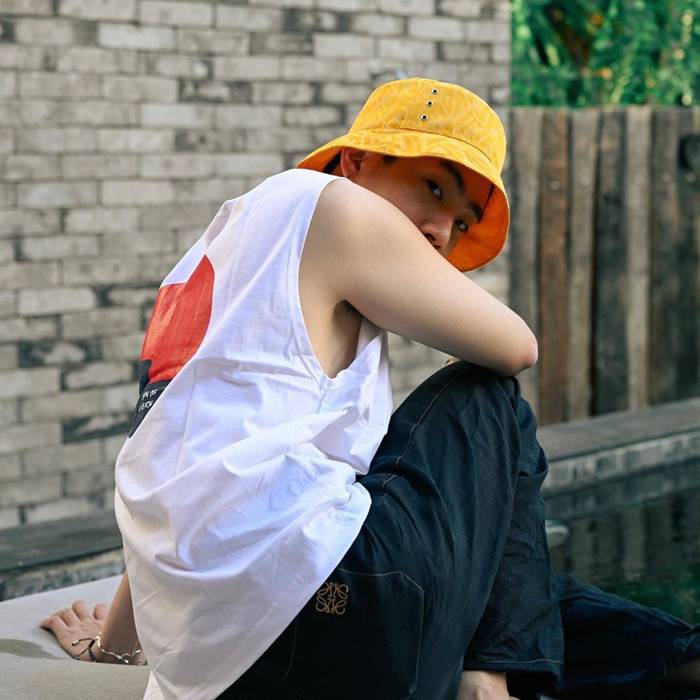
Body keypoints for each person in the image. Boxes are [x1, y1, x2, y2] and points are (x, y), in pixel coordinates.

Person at [38, 78, 700, 700]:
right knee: (488, 397)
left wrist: (112, 647)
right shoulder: (331, 202)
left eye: (462, 222)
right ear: (354, 164)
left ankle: (676, 658)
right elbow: (516, 347)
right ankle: (490, 679)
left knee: (512, 586)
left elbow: (181, 481)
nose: (442, 231)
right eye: (434, 188)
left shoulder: (220, 269)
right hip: (333, 614)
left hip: (244, 666)